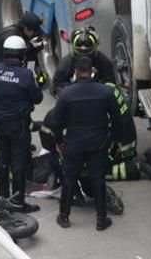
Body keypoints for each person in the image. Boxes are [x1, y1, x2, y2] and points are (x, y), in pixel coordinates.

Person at [45, 56, 123, 231]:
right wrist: (114, 140)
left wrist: (58, 141)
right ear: (92, 71)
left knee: (69, 179)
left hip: (74, 143)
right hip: (99, 143)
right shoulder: (105, 92)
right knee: (98, 180)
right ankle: (101, 220)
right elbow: (118, 120)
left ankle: (64, 217)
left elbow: (56, 121)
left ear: (75, 72)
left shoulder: (66, 94)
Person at [0, 35, 43, 212]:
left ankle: (3, 198)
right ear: (22, 54)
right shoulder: (26, 75)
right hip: (19, 126)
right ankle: (17, 201)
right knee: (19, 163)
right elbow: (37, 99)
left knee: (3, 161)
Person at [52, 27, 116, 94]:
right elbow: (57, 86)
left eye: (88, 52)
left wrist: (96, 88)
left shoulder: (103, 62)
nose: (84, 57)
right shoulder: (65, 65)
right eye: (80, 52)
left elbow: (111, 82)